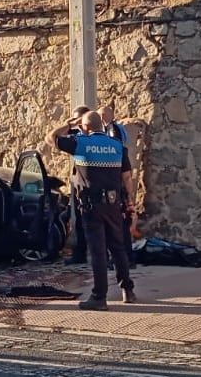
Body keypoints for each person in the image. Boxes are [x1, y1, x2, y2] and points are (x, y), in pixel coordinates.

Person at [51, 111, 137, 310]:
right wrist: (130, 204)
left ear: (86, 127)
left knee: (98, 251)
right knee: (118, 248)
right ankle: (128, 290)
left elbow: (51, 138)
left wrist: (68, 124)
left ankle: (99, 297)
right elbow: (126, 178)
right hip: (114, 205)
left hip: (91, 206)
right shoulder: (117, 146)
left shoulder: (80, 144)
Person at [99, 104, 135, 265]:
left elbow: (126, 176)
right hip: (119, 189)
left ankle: (117, 259)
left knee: (113, 226)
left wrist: (129, 196)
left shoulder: (110, 135)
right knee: (121, 226)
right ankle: (126, 258)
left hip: (113, 189)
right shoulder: (119, 131)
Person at [64, 105, 91, 265]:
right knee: (76, 218)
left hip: (93, 182)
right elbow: (56, 136)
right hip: (78, 182)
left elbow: (51, 137)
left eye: (78, 119)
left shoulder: (98, 134)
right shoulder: (76, 134)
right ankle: (79, 254)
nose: (76, 123)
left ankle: (104, 256)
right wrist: (69, 124)